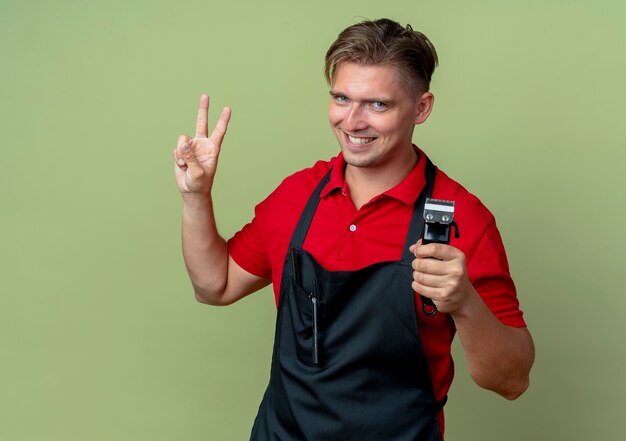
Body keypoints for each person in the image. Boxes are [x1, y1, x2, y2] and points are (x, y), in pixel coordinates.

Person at [173, 18, 534, 441]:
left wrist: (465, 302)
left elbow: (511, 381)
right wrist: (196, 195)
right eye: (342, 98)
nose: (352, 121)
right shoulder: (298, 196)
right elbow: (214, 286)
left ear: (421, 108)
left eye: (377, 104)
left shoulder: (463, 220)